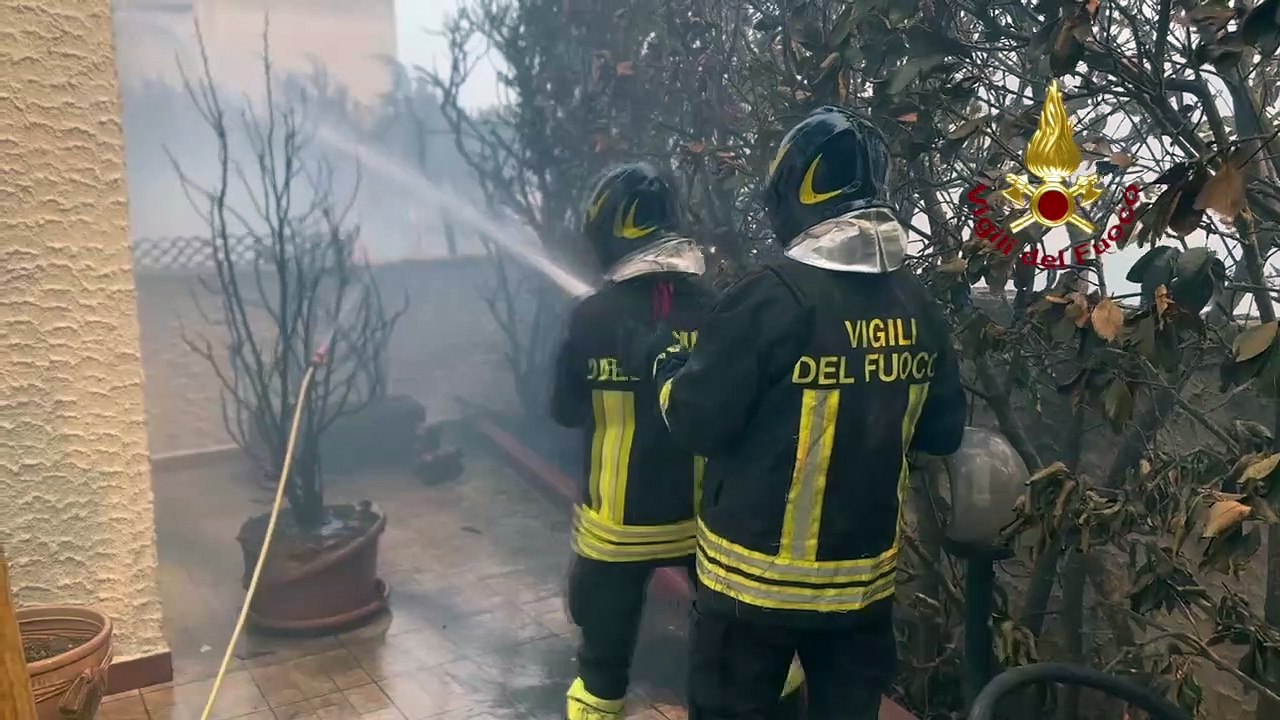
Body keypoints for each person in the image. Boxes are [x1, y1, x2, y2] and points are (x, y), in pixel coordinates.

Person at [647, 107, 968, 720]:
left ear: (793, 192)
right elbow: (943, 431)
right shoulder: (916, 305)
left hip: (749, 596)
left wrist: (670, 373)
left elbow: (696, 422)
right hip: (859, 597)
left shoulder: (769, 295)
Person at [550, 162, 713, 720]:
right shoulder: (714, 309)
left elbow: (564, 410)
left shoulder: (591, 317)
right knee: (740, 649)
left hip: (613, 531)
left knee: (600, 669)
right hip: (702, 527)